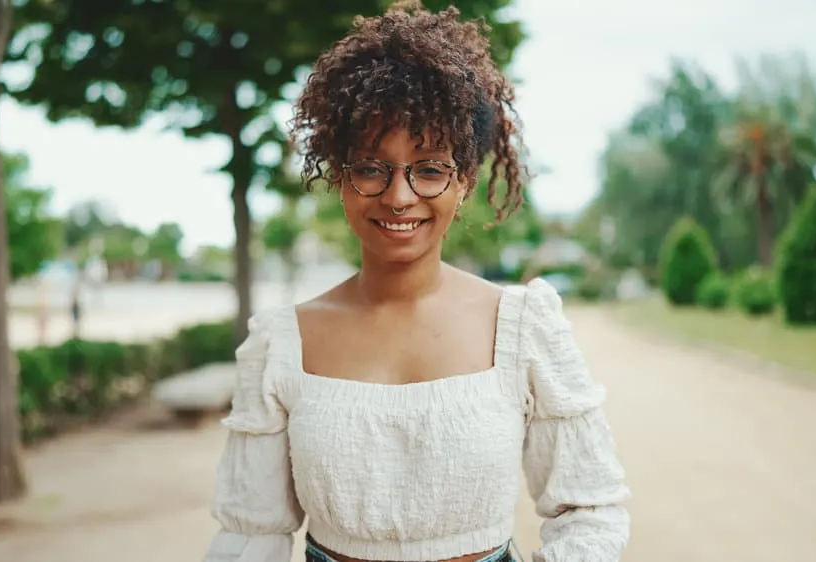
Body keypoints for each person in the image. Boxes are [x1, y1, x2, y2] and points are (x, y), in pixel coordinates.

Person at [203, 2, 630, 561]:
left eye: (430, 168)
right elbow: (249, 534)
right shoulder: (282, 343)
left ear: (465, 180)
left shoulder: (523, 328)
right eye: (371, 167)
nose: (399, 196)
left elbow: (588, 510)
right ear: (340, 176)